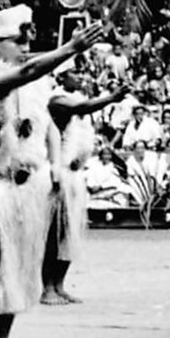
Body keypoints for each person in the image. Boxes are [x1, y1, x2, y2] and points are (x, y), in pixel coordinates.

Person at [0, 7, 109, 338]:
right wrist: (71, 47)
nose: (26, 43)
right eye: (19, 38)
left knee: (14, 270)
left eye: (27, 37)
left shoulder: (33, 85)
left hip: (22, 186)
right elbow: (25, 71)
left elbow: (43, 115)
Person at [41, 70, 127, 304]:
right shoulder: (57, 100)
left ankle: (59, 285)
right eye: (74, 74)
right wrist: (111, 98)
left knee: (70, 233)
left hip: (76, 176)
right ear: (62, 78)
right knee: (54, 233)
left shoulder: (77, 102)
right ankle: (47, 287)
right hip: (60, 174)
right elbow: (82, 107)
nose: (80, 77)